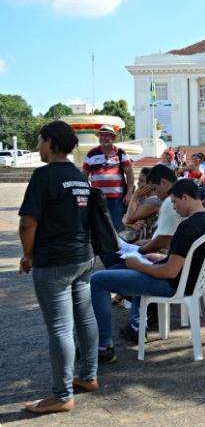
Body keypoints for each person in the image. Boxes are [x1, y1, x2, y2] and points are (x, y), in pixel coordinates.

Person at [19, 121, 98, 414]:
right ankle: (89, 376)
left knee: (60, 329)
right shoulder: (80, 177)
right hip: (83, 257)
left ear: (50, 143)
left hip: (54, 261)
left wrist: (28, 255)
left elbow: (28, 223)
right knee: (85, 318)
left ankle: (62, 395)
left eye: (40, 141)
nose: (38, 147)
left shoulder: (44, 176)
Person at [90, 179, 205, 363]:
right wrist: (160, 258)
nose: (173, 207)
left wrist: (138, 265)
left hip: (171, 285)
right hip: (187, 282)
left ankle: (104, 346)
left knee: (98, 280)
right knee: (120, 270)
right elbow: (183, 259)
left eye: (174, 202)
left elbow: (170, 272)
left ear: (185, 197)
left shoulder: (187, 227)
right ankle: (135, 326)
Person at [82, 125, 134, 230]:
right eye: (101, 135)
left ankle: (116, 247)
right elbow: (84, 176)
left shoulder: (121, 153)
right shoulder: (91, 154)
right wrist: (88, 193)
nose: (103, 138)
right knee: (99, 229)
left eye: (107, 136)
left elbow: (130, 173)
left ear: (113, 138)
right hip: (98, 199)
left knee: (116, 229)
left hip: (117, 200)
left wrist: (129, 193)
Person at [119, 167, 162, 243]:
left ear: (150, 183)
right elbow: (125, 220)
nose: (138, 183)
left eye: (141, 181)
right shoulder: (142, 196)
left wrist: (135, 196)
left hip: (148, 241)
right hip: (135, 236)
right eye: (138, 180)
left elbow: (129, 219)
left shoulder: (155, 200)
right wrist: (131, 225)